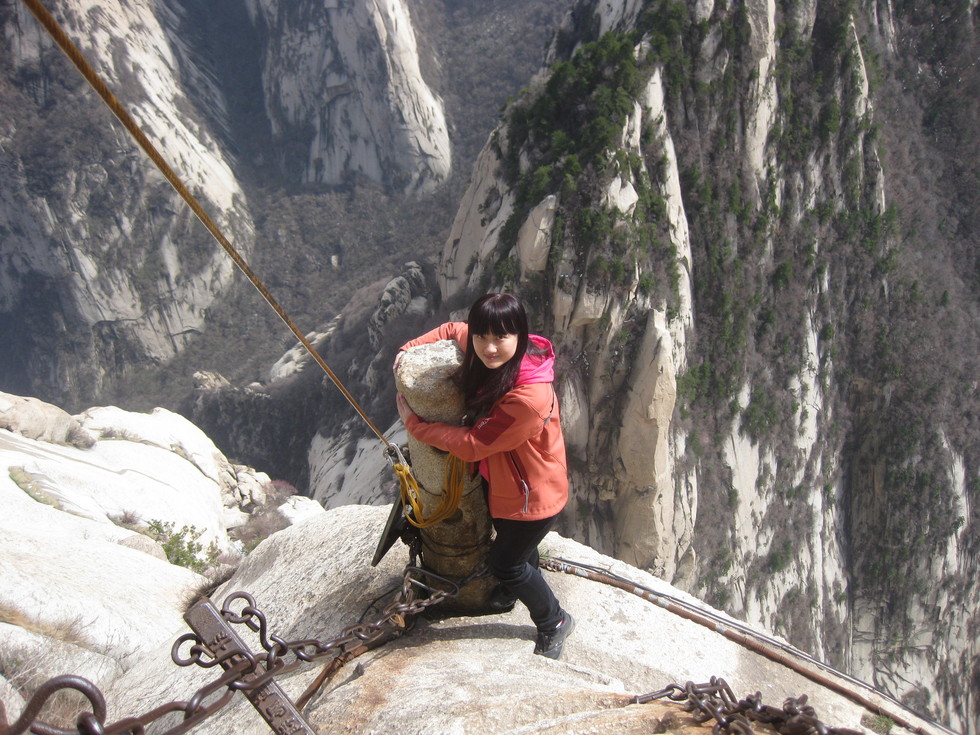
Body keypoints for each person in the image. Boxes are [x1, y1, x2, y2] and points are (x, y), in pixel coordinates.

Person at [394, 293, 575, 659]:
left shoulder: (528, 398)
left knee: (505, 563)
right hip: (509, 484)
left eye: (501, 338)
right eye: (482, 337)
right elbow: (451, 329)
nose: (489, 348)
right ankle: (514, 587)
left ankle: (552, 620)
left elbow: (475, 444)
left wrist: (415, 425)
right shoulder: (482, 348)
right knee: (517, 553)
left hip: (531, 496)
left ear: (520, 337)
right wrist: (405, 353)